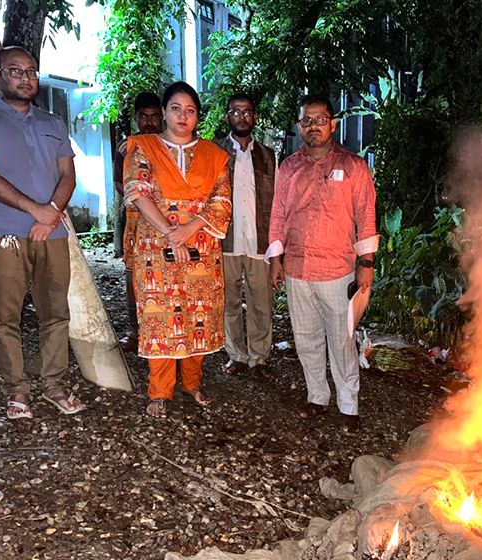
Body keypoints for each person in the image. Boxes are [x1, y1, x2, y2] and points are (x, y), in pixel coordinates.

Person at [0, 46, 84, 419]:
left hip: (53, 235)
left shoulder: (53, 123)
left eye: (31, 71)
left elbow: (68, 175)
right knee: (6, 316)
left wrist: (52, 216)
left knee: (56, 313)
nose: (26, 78)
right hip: (5, 234)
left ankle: (54, 385)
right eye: (15, 71)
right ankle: (17, 389)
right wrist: (37, 211)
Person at [267, 93, 378, 435]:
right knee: (306, 339)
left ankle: (349, 404)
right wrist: (275, 258)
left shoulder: (354, 166)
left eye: (319, 120)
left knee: (342, 339)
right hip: (298, 269)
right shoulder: (289, 167)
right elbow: (278, 214)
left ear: (333, 123)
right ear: (299, 126)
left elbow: (366, 216)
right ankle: (317, 397)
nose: (313, 126)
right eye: (306, 121)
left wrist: (367, 263)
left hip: (337, 270)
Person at [122, 81, 231, 419]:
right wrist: (171, 232)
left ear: (197, 115)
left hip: (200, 242)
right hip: (156, 245)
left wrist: (188, 229)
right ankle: (159, 391)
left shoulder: (214, 155)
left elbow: (222, 201)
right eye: (176, 108)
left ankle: (193, 382)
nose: (183, 116)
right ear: (165, 111)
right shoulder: (143, 148)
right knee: (159, 319)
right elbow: (138, 192)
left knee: (198, 315)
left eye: (190, 110)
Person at [214, 93, 277, 380]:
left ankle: (259, 358)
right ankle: (236, 354)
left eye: (247, 111)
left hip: (259, 243)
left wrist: (277, 248)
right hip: (225, 241)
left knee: (261, 304)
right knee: (228, 302)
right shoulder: (213, 153)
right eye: (236, 112)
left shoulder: (267, 155)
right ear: (228, 117)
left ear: (255, 117)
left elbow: (276, 202)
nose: (241, 116)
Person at [114, 92, 162, 352]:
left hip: (167, 220)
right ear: (137, 118)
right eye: (144, 117)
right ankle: (136, 330)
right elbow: (121, 184)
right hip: (134, 222)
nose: (149, 122)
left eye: (154, 116)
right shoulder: (127, 147)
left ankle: (161, 330)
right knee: (133, 278)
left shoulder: (169, 146)